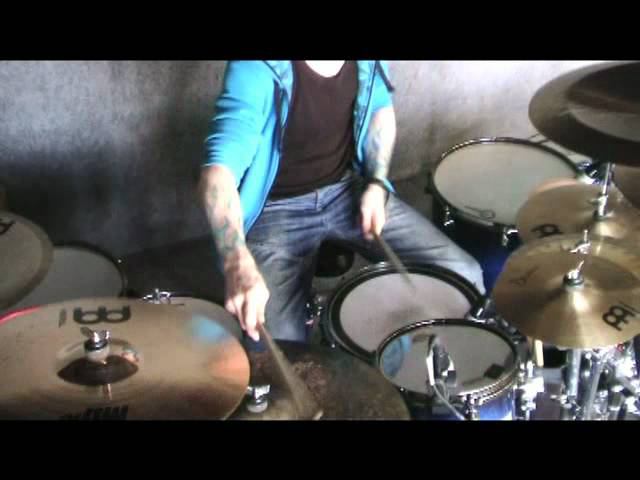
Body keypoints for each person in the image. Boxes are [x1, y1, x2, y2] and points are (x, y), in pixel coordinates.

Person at [199, 60, 484, 346]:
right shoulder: (256, 67)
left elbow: (380, 108)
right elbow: (218, 174)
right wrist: (236, 260)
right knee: (277, 346)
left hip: (346, 190)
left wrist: (376, 181)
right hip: (276, 208)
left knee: (464, 275)